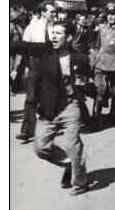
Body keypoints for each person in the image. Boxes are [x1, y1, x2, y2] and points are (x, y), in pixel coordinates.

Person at [11, 21, 90, 195]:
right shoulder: (44, 51)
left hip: (71, 105)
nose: (53, 36)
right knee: (40, 147)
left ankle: (80, 182)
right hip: (49, 108)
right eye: (52, 32)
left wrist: (84, 86)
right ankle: (68, 162)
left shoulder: (79, 58)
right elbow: (20, 46)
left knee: (73, 145)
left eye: (59, 33)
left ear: (68, 37)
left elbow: (88, 79)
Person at [15, 1, 57, 142]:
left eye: (54, 12)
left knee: (49, 96)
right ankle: (27, 131)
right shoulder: (32, 27)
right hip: (35, 64)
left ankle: (49, 128)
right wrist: (22, 67)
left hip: (51, 65)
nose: (54, 14)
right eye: (51, 12)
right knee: (31, 98)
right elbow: (24, 49)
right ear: (43, 12)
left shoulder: (56, 28)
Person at [92, 3, 115, 128]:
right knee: (100, 90)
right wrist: (93, 60)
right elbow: (96, 46)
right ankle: (96, 116)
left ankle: (114, 116)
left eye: (114, 15)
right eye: (109, 15)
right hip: (101, 63)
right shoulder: (101, 29)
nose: (111, 17)